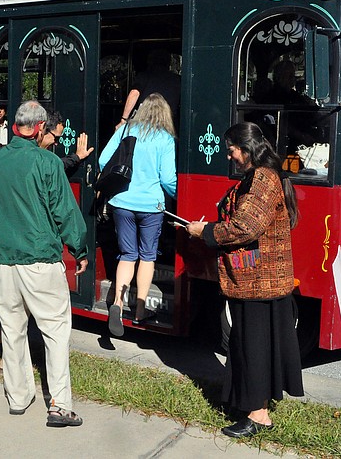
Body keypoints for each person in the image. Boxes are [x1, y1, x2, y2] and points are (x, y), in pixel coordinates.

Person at [0, 100, 88, 428]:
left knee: (12, 330)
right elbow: (66, 212)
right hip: (41, 261)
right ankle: (60, 406)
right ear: (37, 129)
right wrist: (81, 248)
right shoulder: (48, 163)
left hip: (3, 263)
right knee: (56, 332)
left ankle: (18, 398)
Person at [185, 121, 303, 439]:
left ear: (247, 149)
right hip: (257, 278)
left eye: (232, 150)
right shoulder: (261, 175)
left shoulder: (263, 178)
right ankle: (255, 406)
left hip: (257, 280)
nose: (230, 156)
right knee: (253, 346)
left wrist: (204, 231)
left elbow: (244, 228)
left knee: (251, 347)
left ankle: (257, 415)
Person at [100, 93, 176, 336]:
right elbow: (167, 178)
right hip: (151, 206)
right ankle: (141, 310)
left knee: (127, 254)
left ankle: (117, 304)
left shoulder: (125, 131)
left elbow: (103, 161)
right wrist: (177, 195)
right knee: (147, 256)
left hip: (121, 202)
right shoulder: (165, 139)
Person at [117, 49, 180, 128]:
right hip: (169, 123)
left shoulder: (143, 77)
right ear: (168, 63)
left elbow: (134, 93)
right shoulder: (177, 79)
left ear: (149, 61)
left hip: (145, 123)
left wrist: (124, 119)